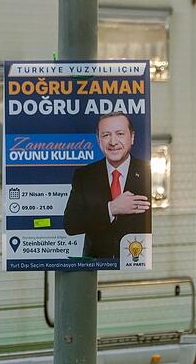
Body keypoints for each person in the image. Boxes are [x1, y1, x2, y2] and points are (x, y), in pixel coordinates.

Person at [63, 111, 151, 259]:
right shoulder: (84, 176)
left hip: (136, 263)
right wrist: (112, 208)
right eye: (106, 135)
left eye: (120, 134)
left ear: (132, 137)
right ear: (98, 140)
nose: (113, 142)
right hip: (96, 266)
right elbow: (71, 224)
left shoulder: (149, 173)